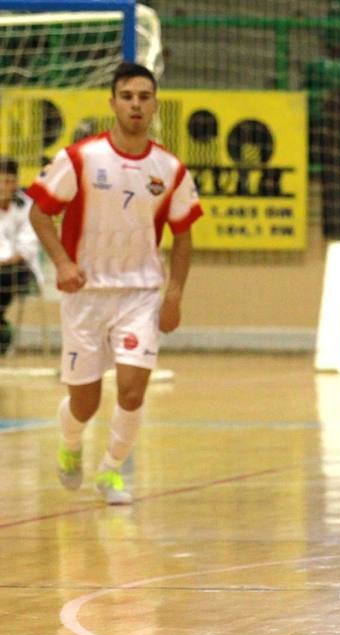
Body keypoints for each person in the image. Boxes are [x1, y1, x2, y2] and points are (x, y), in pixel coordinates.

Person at [28, 61, 202, 505]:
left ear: (155, 105)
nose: (136, 105)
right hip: (85, 294)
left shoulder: (171, 169)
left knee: (131, 388)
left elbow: (183, 235)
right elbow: (39, 213)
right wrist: (64, 264)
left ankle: (111, 471)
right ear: (113, 103)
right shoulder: (81, 158)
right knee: (84, 402)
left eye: (144, 97)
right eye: (127, 97)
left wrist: (174, 294)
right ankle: (70, 447)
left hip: (140, 294)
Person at [0, 156, 44, 355]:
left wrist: (6, 260)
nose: (3, 186)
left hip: (19, 269)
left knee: (6, 274)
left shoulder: (27, 206)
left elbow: (27, 248)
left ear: (16, 182)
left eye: (8, 181)